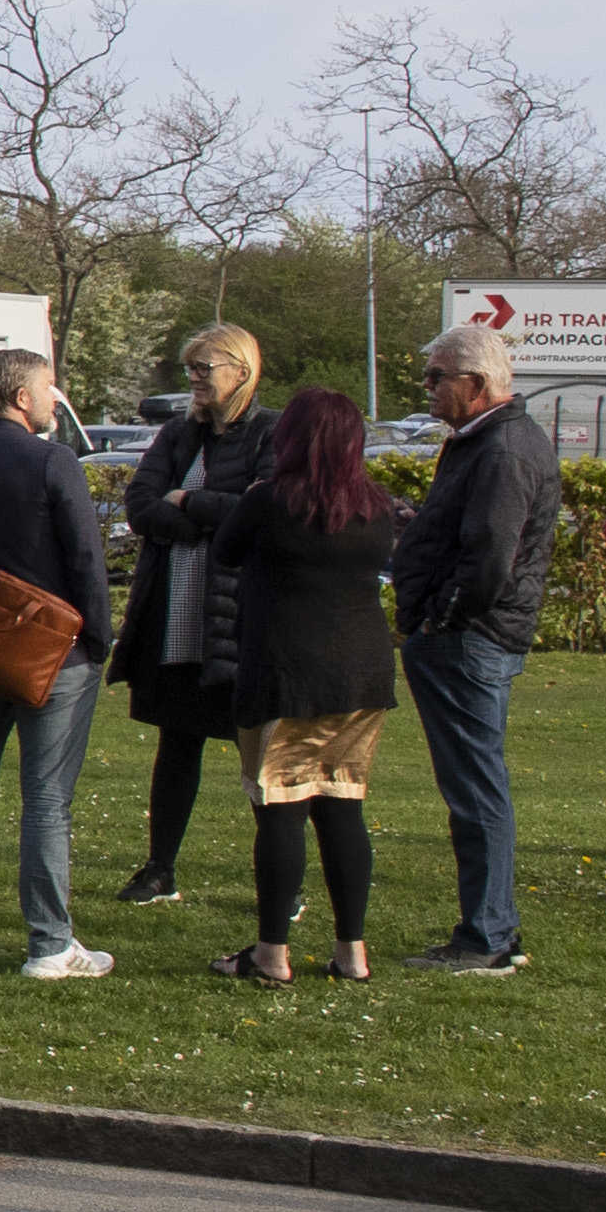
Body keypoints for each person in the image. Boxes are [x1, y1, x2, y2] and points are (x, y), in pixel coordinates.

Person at [0, 348, 120, 977]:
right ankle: (50, 943)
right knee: (46, 800)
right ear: (23, 397)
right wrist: (99, 639)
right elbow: (88, 559)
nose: (55, 398)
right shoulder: (52, 460)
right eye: (49, 388)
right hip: (50, 655)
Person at [208, 387, 403, 986]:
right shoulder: (377, 508)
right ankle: (352, 953)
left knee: (281, 810)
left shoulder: (269, 502)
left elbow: (227, 551)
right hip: (363, 674)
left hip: (286, 672)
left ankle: (272, 954)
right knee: (344, 806)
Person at [394, 322, 563, 973]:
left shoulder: (502, 450)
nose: (428, 388)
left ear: (478, 383)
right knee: (472, 785)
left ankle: (487, 934)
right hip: (467, 635)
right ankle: (490, 928)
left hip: (471, 639)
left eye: (438, 377)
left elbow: (492, 557)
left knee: (476, 789)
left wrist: (444, 617)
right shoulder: (481, 444)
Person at [111, 328, 276, 904]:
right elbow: (139, 506)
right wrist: (204, 522)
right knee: (176, 744)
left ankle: (280, 882)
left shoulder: (269, 433)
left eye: (204, 368)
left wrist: (190, 504)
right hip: (174, 614)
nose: (195, 380)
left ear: (241, 369)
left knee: (260, 758)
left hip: (238, 623)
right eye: (191, 370)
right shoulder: (178, 435)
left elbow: (266, 512)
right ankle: (160, 868)